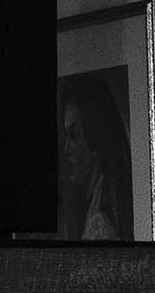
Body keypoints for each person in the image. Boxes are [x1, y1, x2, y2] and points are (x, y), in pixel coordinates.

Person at [57, 74, 134, 242]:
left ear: (95, 134)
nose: (66, 149)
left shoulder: (101, 226)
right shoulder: (98, 208)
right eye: (66, 137)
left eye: (75, 135)